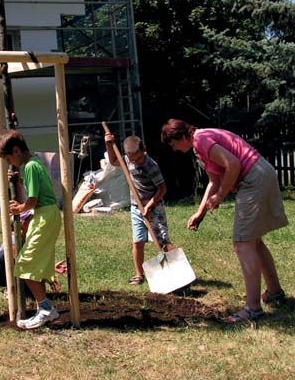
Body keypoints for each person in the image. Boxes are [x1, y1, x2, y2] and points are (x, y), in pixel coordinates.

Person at [161, 118, 289, 323]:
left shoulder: (201, 139)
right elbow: (214, 181)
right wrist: (200, 212)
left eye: (174, 144)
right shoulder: (200, 146)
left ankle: (253, 309)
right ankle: (275, 292)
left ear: (182, 136)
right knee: (253, 241)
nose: (175, 149)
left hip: (253, 178)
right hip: (263, 173)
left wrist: (220, 196)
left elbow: (234, 164)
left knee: (242, 243)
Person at [0, 130, 62, 329]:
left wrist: (20, 208)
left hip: (44, 215)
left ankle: (46, 309)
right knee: (33, 265)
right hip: (46, 215)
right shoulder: (34, 164)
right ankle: (44, 308)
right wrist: (18, 181)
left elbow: (32, 200)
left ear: (16, 151)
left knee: (24, 265)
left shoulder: (31, 166)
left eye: (8, 158)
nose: (9, 162)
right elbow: (38, 188)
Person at [104, 134, 174, 285]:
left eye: (139, 158)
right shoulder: (129, 160)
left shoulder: (151, 166)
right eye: (133, 160)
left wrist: (149, 205)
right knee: (137, 242)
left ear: (145, 150)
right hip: (136, 208)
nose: (137, 162)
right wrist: (109, 144)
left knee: (162, 241)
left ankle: (175, 270)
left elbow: (162, 189)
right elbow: (114, 161)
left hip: (154, 207)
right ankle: (139, 274)